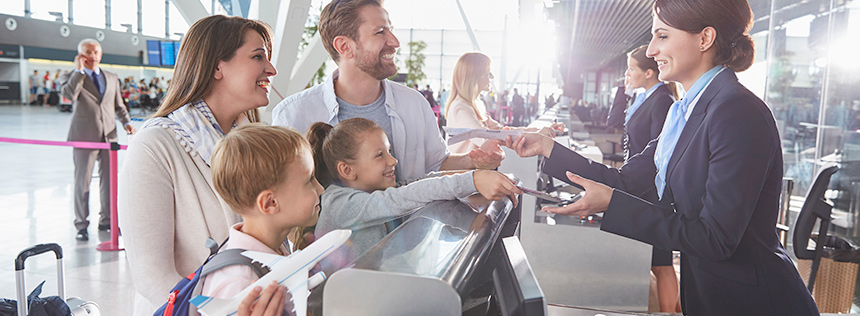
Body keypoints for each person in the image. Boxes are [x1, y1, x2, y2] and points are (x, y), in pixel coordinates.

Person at [505, 0, 819, 314]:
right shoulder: (685, 113)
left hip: (756, 302)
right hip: (712, 296)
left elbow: (715, 238)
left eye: (662, 36)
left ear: (704, 39)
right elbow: (627, 181)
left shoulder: (737, 111)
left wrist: (613, 204)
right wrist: (547, 149)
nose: (652, 50)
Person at [118, 15, 285, 316]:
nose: (271, 69)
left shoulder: (252, 142)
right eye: (258, 56)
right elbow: (152, 277)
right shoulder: (154, 146)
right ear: (217, 66)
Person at [272, 0, 503, 184]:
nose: (394, 41)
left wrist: (474, 161)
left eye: (390, 29)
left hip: (410, 240)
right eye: (380, 32)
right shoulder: (294, 115)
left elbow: (436, 165)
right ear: (344, 46)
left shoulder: (413, 103)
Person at [306, 118, 520, 271]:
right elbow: (403, 198)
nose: (392, 161)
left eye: (389, 151)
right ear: (347, 170)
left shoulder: (373, 191)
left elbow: (421, 183)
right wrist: (472, 180)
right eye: (380, 155)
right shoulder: (338, 202)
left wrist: (476, 172)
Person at [201, 124, 324, 315]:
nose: (320, 189)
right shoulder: (239, 281)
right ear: (270, 203)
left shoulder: (276, 248)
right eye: (309, 180)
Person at [605, 44, 680, 313]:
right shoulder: (644, 96)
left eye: (631, 69)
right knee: (652, 259)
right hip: (637, 185)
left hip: (650, 190)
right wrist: (622, 92)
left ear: (649, 73)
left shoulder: (661, 101)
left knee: (660, 261)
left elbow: (659, 151)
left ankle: (669, 311)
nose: (627, 73)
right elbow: (614, 123)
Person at [58, 38, 135, 241]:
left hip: (109, 137)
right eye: (87, 52)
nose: (92, 56)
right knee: (82, 181)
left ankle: (107, 220)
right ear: (80, 56)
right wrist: (79, 72)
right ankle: (81, 224)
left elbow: (118, 105)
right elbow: (69, 95)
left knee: (109, 182)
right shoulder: (71, 76)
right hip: (84, 136)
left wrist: (126, 122)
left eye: (95, 52)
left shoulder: (111, 77)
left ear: (100, 54)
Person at [444, 52, 562, 154]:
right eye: (488, 74)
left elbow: (500, 130)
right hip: (463, 175)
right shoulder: (459, 108)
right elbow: (487, 139)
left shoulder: (474, 105)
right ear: (474, 77)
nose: (492, 77)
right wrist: (537, 136)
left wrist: (539, 130)